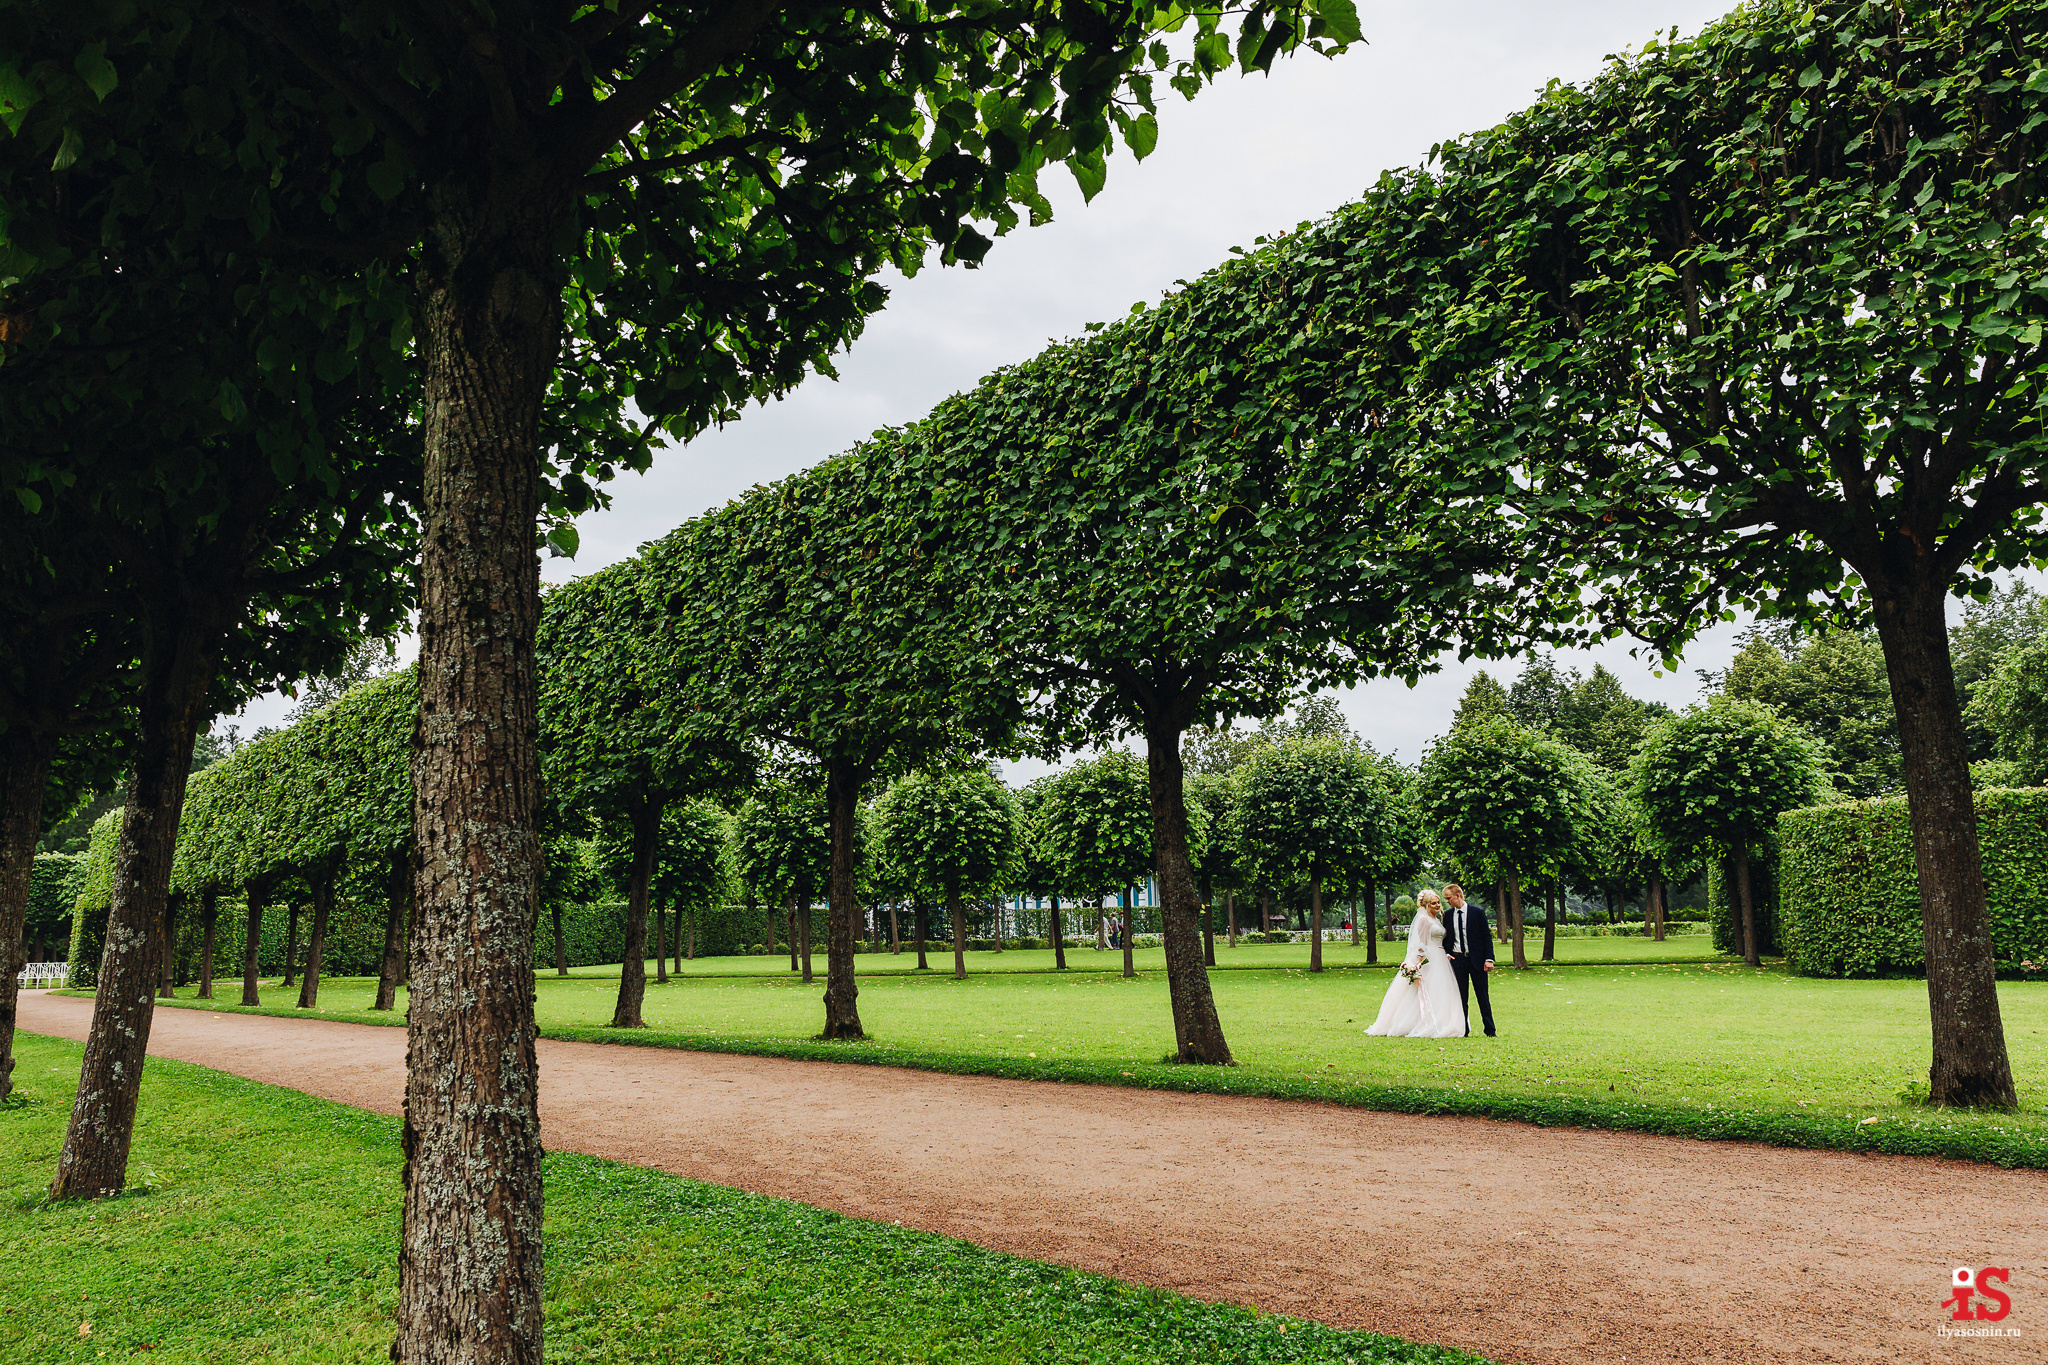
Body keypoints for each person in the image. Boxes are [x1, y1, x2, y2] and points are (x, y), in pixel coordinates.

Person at [1364, 888, 1464, 1038]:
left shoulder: (1437, 919)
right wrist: (1417, 963)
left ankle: (1443, 1020)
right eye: (1433, 903)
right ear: (1426, 906)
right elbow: (1421, 944)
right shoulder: (1424, 920)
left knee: (1441, 990)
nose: (1437, 905)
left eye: (1438, 902)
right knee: (1426, 991)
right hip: (1430, 959)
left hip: (1441, 957)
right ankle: (1419, 1022)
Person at [1440, 882, 1497, 1037]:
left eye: (1448, 898)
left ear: (1457, 895)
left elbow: (1486, 937)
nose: (1447, 901)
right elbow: (1446, 940)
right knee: (1461, 997)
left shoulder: (1477, 913)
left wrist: (1489, 958)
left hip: (1477, 960)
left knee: (1483, 996)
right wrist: (1447, 954)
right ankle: (1463, 1029)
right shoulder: (1448, 915)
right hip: (1458, 961)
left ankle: (1490, 1030)